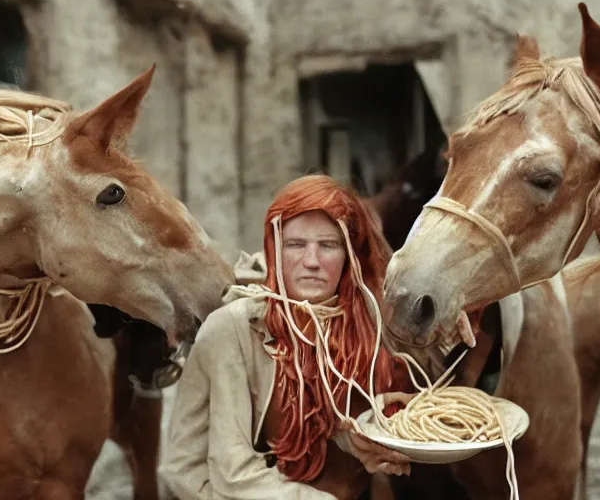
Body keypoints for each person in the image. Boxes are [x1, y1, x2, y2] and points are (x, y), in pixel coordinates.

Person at [160, 174, 415, 499]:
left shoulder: (353, 321)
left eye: (328, 245)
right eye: (296, 245)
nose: (312, 262)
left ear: (348, 256)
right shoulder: (234, 327)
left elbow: (321, 418)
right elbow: (230, 469)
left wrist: (360, 440)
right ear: (275, 249)